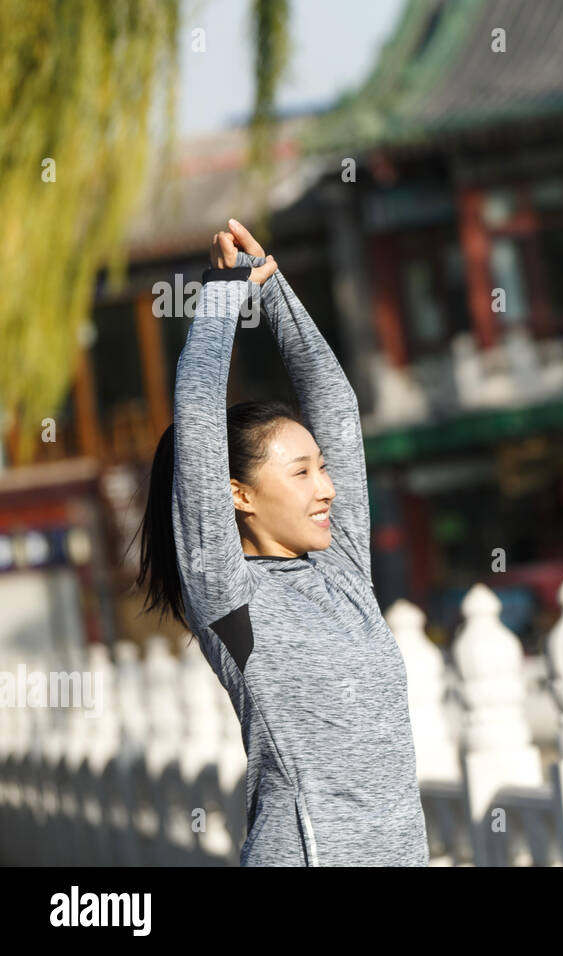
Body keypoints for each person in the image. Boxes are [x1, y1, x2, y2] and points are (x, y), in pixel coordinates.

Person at [134, 219, 429, 866]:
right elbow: (201, 416)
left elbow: (337, 407)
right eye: (300, 473)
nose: (326, 489)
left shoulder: (341, 568)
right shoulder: (227, 594)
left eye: (321, 468)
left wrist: (271, 289)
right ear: (235, 493)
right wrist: (220, 295)